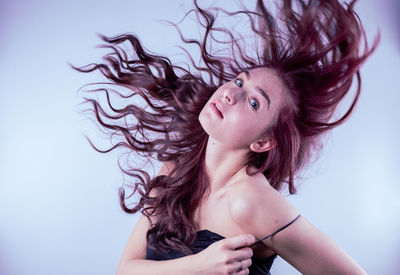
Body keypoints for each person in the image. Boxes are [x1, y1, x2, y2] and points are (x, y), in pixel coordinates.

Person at [73, 0, 379, 274]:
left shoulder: (249, 202)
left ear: (263, 142)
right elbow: (125, 270)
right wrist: (200, 265)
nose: (232, 93)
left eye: (254, 102)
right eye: (238, 81)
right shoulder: (176, 170)